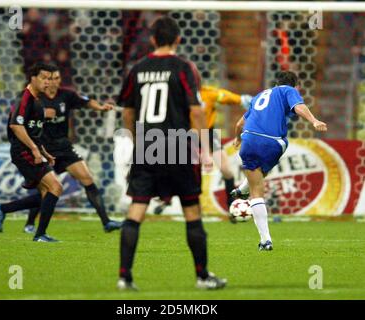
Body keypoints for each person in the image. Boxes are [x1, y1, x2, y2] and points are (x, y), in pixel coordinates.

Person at [117, 16, 227, 290]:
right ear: (178, 39)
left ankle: (124, 277)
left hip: (147, 145)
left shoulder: (138, 68)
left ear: (153, 39)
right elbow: (197, 111)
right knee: (191, 211)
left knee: (136, 211)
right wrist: (204, 148)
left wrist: (134, 140)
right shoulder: (183, 67)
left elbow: (128, 112)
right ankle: (202, 276)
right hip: (178, 145)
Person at [232, 71, 327, 251]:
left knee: (255, 190)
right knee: (265, 170)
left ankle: (265, 240)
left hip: (248, 140)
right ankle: (245, 189)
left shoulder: (260, 95)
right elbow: (299, 107)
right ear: (296, 86)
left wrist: (237, 139)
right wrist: (313, 121)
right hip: (272, 142)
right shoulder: (288, 90)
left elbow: (239, 124)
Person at [23, 69, 122, 233]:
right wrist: (41, 114)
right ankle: (30, 223)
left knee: (88, 178)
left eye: (57, 78)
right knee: (45, 190)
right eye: (50, 78)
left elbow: (87, 102)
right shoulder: (35, 97)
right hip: (44, 149)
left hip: (65, 148)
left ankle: (106, 222)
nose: (53, 81)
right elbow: (22, 120)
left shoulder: (66, 95)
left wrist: (101, 107)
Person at [0, 62, 62, 242]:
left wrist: (44, 152)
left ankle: (3, 209)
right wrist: (34, 150)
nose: (48, 83)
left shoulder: (37, 101)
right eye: (44, 78)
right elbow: (16, 126)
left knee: (47, 194)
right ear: (33, 78)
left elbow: (34, 132)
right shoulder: (25, 98)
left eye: (50, 79)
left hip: (31, 150)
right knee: (55, 187)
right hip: (23, 151)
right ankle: (40, 235)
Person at [153, 85, 252, 214]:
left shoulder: (210, 93)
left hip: (209, 133)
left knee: (226, 170)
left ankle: (231, 206)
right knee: (182, 170)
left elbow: (233, 98)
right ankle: (167, 198)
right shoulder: (179, 93)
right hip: (188, 135)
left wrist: (248, 101)